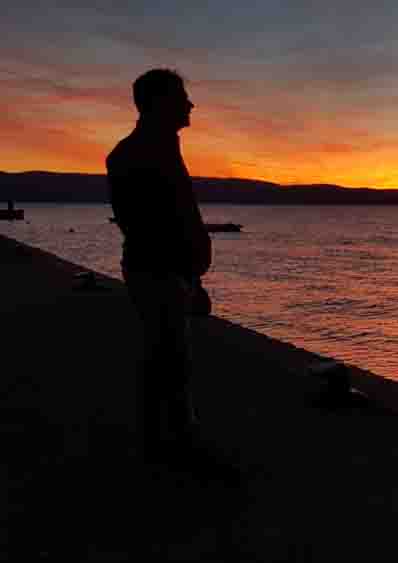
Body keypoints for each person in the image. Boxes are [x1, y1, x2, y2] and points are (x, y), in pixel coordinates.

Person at [106, 69, 212, 466]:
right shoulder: (138, 153)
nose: (190, 104)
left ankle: (169, 443)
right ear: (160, 103)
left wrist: (193, 274)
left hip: (168, 272)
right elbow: (151, 225)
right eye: (182, 97)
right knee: (168, 361)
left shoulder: (162, 147)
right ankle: (172, 449)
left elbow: (175, 215)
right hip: (158, 273)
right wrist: (186, 271)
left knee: (169, 359)